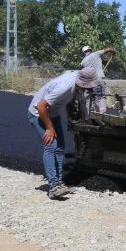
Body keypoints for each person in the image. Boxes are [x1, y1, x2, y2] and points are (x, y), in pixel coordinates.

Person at [28, 67, 100, 199]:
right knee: (51, 145)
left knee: (60, 147)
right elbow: (40, 106)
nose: (88, 90)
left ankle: (59, 183)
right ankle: (53, 187)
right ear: (82, 83)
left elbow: (66, 101)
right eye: (88, 87)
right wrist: (50, 128)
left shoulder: (74, 80)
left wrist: (68, 117)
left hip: (52, 113)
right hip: (38, 114)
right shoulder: (65, 87)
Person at [80, 45, 116, 112]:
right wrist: (113, 51)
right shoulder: (96, 54)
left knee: (90, 97)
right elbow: (108, 49)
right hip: (98, 79)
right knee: (101, 97)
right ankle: (102, 113)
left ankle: (90, 113)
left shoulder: (82, 62)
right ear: (90, 50)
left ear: (83, 53)